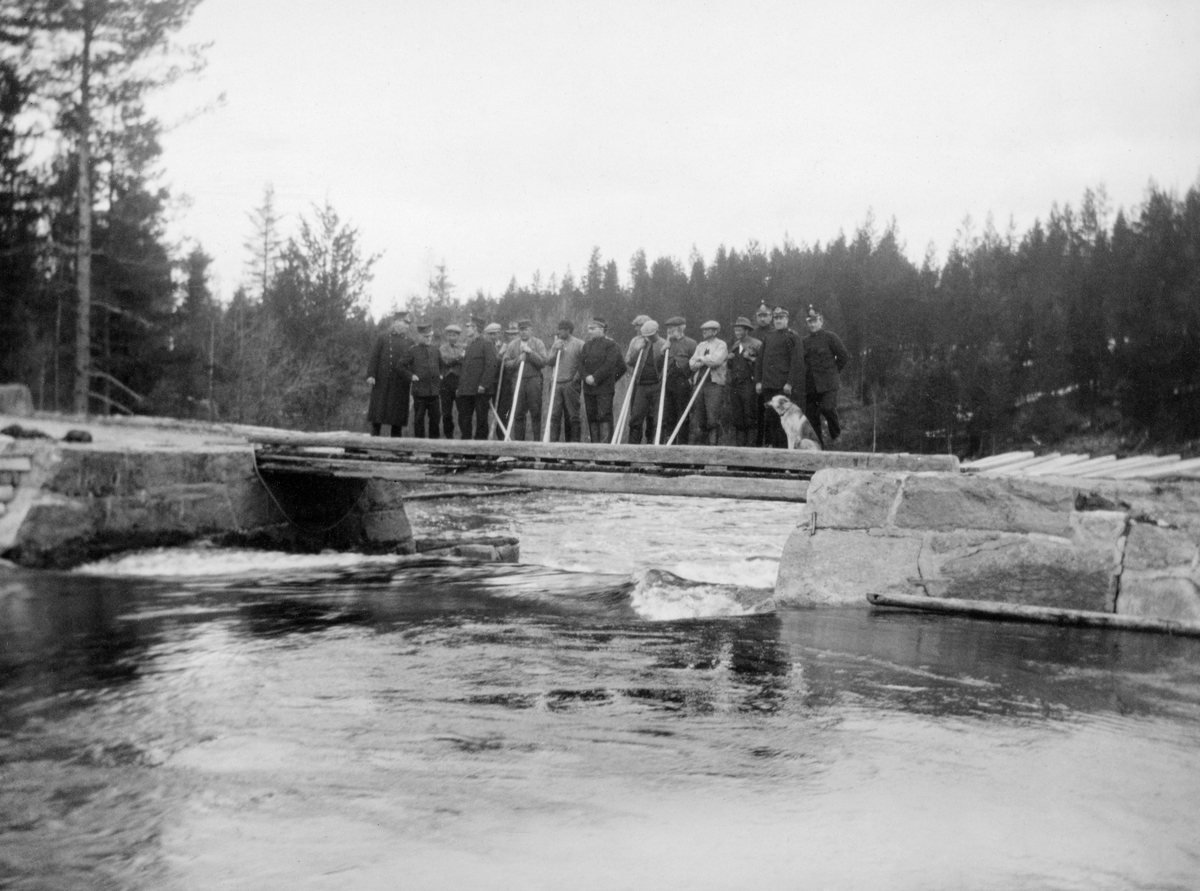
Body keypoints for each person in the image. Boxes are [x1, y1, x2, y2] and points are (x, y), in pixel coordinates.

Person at [756, 306, 805, 448]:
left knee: (786, 423)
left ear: (787, 319)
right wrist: (758, 381)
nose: (778, 321)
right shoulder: (768, 337)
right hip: (768, 386)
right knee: (770, 420)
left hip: (783, 387)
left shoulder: (793, 337)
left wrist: (790, 383)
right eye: (776, 318)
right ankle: (773, 452)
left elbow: (797, 362)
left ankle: (785, 453)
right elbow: (760, 360)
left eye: (781, 318)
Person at [803, 304, 850, 448]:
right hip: (811, 386)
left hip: (829, 384)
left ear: (821, 320)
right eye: (809, 321)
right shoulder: (805, 341)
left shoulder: (830, 337)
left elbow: (843, 356)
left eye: (814, 320)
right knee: (812, 418)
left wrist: (833, 372)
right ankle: (819, 447)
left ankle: (836, 436)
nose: (812, 324)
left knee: (828, 408)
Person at [366, 311, 415, 436]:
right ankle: (374, 438)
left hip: (400, 381)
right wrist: (371, 375)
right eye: (404, 323)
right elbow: (374, 357)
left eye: (408, 324)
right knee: (378, 410)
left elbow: (412, 362)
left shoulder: (410, 342)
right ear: (396, 322)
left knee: (397, 415)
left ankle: (395, 443)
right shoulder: (383, 337)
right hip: (382, 379)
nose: (406, 326)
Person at [579, 317, 625, 444]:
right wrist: (587, 377)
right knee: (592, 418)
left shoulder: (611, 345)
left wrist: (600, 379)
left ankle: (605, 451)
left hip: (604, 389)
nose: (590, 332)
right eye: (590, 329)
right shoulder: (586, 346)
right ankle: (595, 449)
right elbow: (580, 365)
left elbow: (615, 366)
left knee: (604, 417)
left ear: (602, 329)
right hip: (589, 389)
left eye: (593, 329)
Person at [623, 319, 669, 444]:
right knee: (636, 418)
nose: (648, 338)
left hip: (657, 386)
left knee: (657, 419)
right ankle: (633, 448)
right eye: (646, 336)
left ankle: (655, 448)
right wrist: (637, 350)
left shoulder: (664, 344)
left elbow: (668, 366)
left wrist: (666, 353)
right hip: (641, 386)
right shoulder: (639, 343)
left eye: (650, 335)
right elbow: (629, 362)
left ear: (657, 332)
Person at [502, 319, 548, 440]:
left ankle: (537, 444)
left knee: (536, 412)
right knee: (518, 414)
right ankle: (519, 446)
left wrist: (530, 352)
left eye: (526, 330)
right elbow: (506, 363)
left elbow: (543, 362)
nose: (524, 332)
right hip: (518, 381)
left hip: (534, 381)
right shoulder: (513, 345)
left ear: (531, 330)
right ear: (519, 331)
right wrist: (519, 360)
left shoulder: (538, 343)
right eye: (521, 330)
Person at [455, 316, 499, 440]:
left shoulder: (486, 344)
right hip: (466, 391)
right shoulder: (469, 346)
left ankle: (480, 451)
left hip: (480, 392)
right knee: (464, 420)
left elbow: (492, 365)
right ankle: (467, 452)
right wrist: (460, 387)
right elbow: (465, 370)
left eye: (468, 326)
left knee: (481, 421)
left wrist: (483, 385)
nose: (467, 329)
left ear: (475, 328)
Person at [688, 320, 729, 445]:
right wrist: (703, 360)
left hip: (714, 385)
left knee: (713, 419)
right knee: (699, 418)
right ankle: (700, 450)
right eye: (703, 330)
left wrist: (700, 358)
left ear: (715, 331)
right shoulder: (700, 345)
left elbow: (716, 361)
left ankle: (713, 449)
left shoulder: (721, 345)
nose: (704, 332)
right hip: (699, 384)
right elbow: (692, 365)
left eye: (707, 329)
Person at [545, 320, 585, 442]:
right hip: (556, 384)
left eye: (561, 329)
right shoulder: (556, 344)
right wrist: (555, 350)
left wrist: (575, 379)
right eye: (559, 329)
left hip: (570, 384)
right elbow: (548, 361)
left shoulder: (579, 344)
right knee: (554, 416)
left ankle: (573, 447)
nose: (559, 332)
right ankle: (553, 448)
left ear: (568, 330)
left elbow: (583, 364)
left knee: (573, 416)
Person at [727, 316, 763, 447]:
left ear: (747, 330)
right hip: (735, 384)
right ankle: (740, 451)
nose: (737, 333)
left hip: (749, 383)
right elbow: (731, 366)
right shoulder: (735, 345)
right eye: (736, 330)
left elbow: (763, 364)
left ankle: (750, 450)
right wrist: (729, 359)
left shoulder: (757, 344)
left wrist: (751, 359)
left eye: (740, 330)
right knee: (738, 418)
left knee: (750, 416)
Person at [663, 316, 697, 445]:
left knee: (683, 415)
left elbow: (695, 363)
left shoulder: (691, 343)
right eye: (668, 328)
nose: (669, 330)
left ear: (681, 328)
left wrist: (689, 378)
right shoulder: (667, 343)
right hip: (668, 382)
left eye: (672, 328)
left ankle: (682, 446)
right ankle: (669, 446)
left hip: (683, 382)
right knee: (669, 416)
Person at [410, 323, 442, 438]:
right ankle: (419, 446)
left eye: (430, 336)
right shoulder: (413, 351)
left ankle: (435, 449)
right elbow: (400, 366)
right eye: (426, 337)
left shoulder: (435, 350)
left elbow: (441, 365)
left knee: (435, 419)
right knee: (419, 420)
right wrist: (410, 375)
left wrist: (440, 375)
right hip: (419, 392)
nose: (429, 339)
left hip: (434, 392)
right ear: (420, 337)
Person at [751, 302, 773, 446]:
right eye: (760, 316)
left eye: (766, 316)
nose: (763, 319)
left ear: (771, 317)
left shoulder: (774, 333)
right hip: (754, 378)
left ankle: (770, 443)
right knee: (755, 413)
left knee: (770, 413)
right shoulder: (752, 334)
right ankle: (757, 444)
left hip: (771, 378)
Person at [439, 323, 464, 438]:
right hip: (446, 383)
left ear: (458, 336)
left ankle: (464, 438)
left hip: (459, 382)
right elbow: (446, 361)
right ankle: (448, 438)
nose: (452, 337)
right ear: (446, 336)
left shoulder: (463, 348)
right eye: (449, 335)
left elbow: (465, 364)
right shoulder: (442, 348)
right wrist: (459, 357)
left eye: (454, 335)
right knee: (446, 413)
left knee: (463, 411)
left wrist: (460, 358)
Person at [496, 322, 520, 424]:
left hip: (518, 380)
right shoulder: (503, 347)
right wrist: (500, 353)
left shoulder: (521, 347)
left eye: (515, 334)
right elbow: (496, 364)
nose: (513, 336)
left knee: (518, 409)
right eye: (511, 334)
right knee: (504, 408)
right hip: (505, 382)